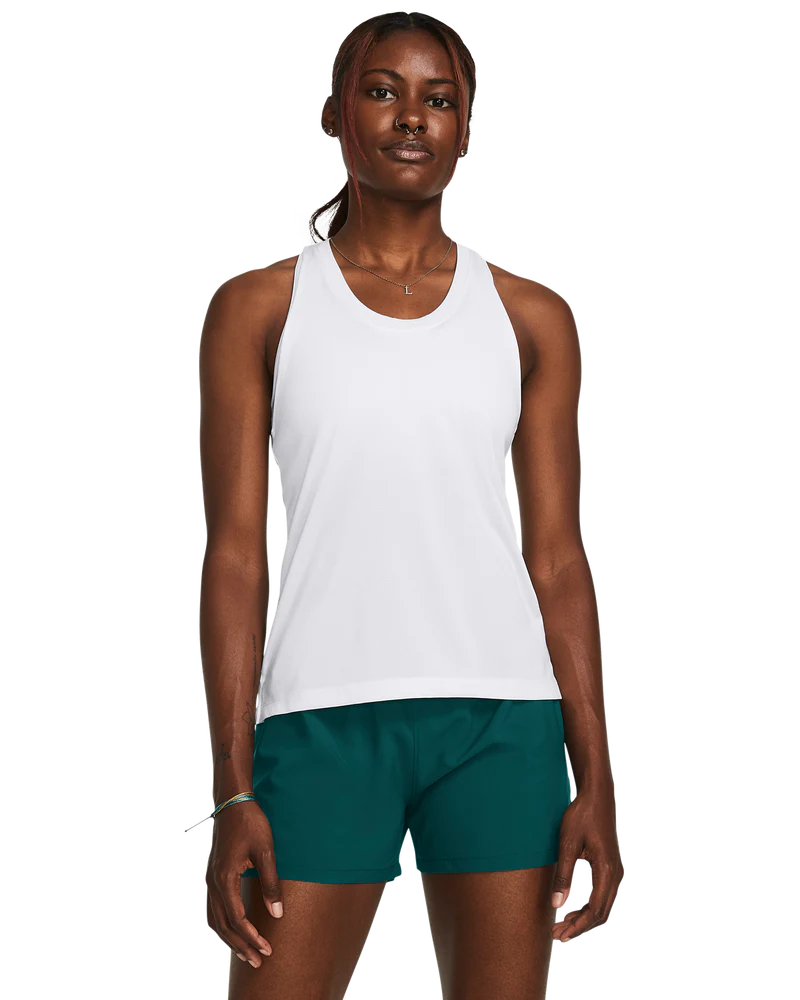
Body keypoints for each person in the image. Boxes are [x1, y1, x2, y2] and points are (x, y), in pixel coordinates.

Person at [199, 11, 623, 1000]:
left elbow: (557, 556)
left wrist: (595, 778)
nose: (411, 117)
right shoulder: (260, 309)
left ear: (463, 128)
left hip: (500, 723)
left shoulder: (527, 317)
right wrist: (231, 787)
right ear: (334, 112)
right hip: (319, 720)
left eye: (439, 99)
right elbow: (233, 555)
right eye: (383, 90)